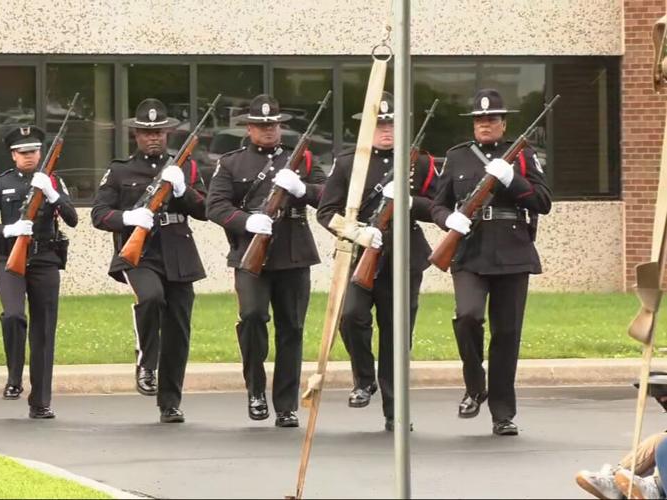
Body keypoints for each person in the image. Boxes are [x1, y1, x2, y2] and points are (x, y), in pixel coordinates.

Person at [431, 88, 552, 436]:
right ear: (473, 124)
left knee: (507, 334)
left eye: (493, 118)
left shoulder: (523, 156)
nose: (486, 124)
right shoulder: (456, 157)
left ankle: (502, 413)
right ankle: (474, 385)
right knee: (467, 316)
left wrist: (513, 179)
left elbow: (543, 201)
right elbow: (438, 204)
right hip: (470, 250)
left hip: (513, 252)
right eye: (480, 119)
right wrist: (448, 220)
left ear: (503, 123)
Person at [316, 92, 438, 431]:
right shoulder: (348, 163)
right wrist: (358, 233)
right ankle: (364, 378)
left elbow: (438, 207)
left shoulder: (420, 162)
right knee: (350, 316)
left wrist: (410, 201)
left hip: (404, 257)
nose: (386, 130)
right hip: (360, 255)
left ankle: (395, 411)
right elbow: (326, 212)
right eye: (380, 124)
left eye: (392, 124)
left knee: (396, 335)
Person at [206, 94, 327, 428]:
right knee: (252, 317)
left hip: (293, 253)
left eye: (273, 124)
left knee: (292, 329)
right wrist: (247, 221)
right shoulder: (231, 163)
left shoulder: (301, 159)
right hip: (251, 253)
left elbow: (329, 196)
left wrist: (302, 189)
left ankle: (286, 405)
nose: (268, 130)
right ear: (249, 128)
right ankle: (255, 390)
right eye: (261, 125)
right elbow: (215, 206)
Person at [91, 98, 207, 423]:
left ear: (167, 133)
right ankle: (145, 361)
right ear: (136, 135)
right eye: (146, 132)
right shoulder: (120, 170)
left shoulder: (185, 167)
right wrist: (128, 217)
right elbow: (99, 214)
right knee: (151, 297)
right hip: (140, 253)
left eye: (158, 132)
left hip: (179, 252)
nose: (153, 137)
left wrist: (183, 190)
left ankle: (170, 403)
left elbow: (205, 210)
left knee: (178, 331)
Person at [0, 125, 78, 419]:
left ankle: (41, 401)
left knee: (44, 330)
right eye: (23, 152)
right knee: (13, 315)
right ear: (13, 155)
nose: (29, 156)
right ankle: (14, 375)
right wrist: (9, 229)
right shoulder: (2, 183)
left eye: (33, 151)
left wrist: (52, 194)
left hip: (45, 258)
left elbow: (72, 219)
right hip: (9, 257)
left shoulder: (53, 181)